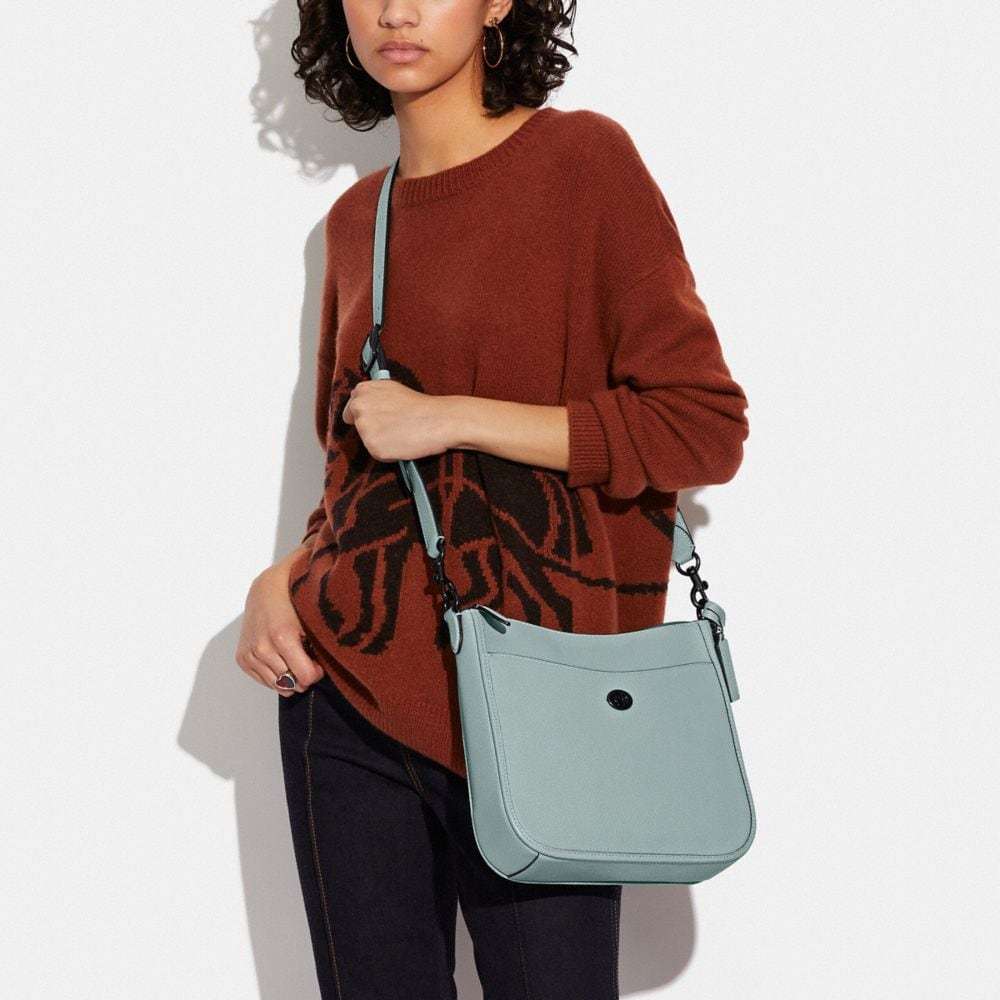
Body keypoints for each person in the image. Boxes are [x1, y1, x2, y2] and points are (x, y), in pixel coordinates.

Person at [236, 1, 750, 997]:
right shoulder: (358, 223)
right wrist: (284, 576)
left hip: (548, 712)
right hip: (346, 701)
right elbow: (359, 468)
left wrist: (456, 418)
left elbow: (700, 426)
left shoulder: (583, 165)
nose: (396, 11)